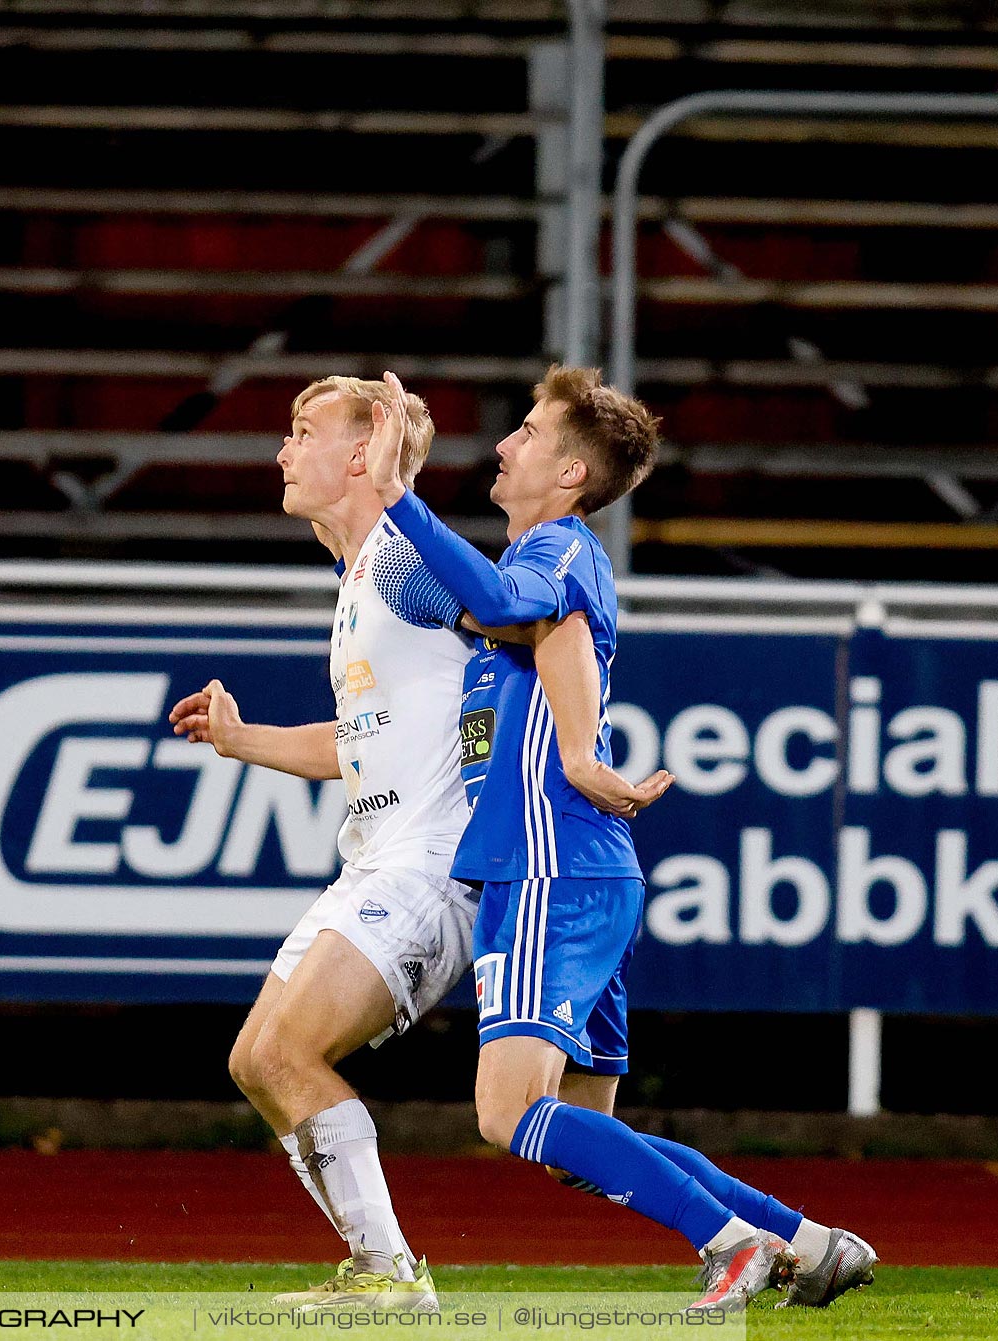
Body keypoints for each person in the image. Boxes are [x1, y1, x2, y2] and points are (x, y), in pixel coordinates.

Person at [363, 366, 876, 1311]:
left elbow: (515, 609)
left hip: (548, 868)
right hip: (580, 868)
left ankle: (731, 1243)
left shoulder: (562, 550)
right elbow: (481, 605)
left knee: (507, 1111)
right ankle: (805, 1241)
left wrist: (397, 491)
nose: (506, 443)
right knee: (579, 1142)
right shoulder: (535, 573)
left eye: (526, 430)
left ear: (568, 475)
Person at [168, 376, 672, 1311]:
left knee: (291, 1057)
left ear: (362, 454)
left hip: (434, 866)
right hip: (381, 855)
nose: (282, 451)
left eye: (302, 431)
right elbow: (368, 740)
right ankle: (776, 1236)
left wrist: (576, 742)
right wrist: (244, 742)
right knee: (255, 1060)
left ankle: (388, 1273)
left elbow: (543, 621)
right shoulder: (364, 574)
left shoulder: (410, 566)